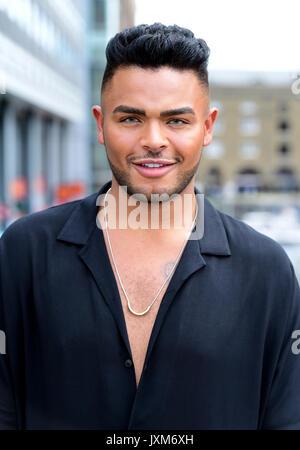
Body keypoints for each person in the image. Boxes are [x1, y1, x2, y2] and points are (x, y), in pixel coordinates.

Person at [1, 23, 300, 431]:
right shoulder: (24, 252)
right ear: (101, 124)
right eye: (131, 119)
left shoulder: (266, 270)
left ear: (208, 127)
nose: (154, 140)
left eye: (176, 121)